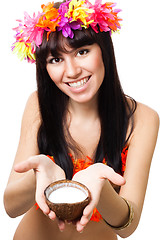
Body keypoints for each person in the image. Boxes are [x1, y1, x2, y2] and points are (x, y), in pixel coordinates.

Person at [4, 1, 159, 239]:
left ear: (104, 50)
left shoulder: (143, 119)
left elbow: (129, 226)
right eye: (56, 59)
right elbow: (10, 207)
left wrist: (102, 186)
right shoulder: (38, 104)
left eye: (82, 52)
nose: (72, 71)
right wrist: (36, 177)